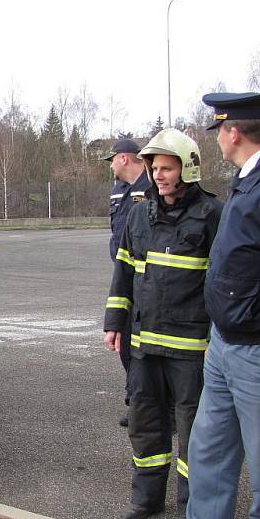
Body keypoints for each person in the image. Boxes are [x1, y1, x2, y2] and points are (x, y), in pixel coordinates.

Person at [144, 92, 260, 519]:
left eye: (219, 130)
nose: (218, 138)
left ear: (233, 132)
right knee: (209, 452)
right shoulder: (249, 178)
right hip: (223, 345)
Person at [103, 129, 222, 519]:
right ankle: (147, 499)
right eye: (155, 168)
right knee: (145, 423)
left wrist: (217, 341)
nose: (159, 175)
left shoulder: (212, 215)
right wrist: (114, 322)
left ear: (187, 168)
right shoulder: (139, 214)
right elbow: (123, 272)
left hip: (191, 348)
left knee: (193, 433)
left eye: (167, 168)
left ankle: (191, 510)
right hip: (144, 343)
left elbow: (222, 283)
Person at [102, 139, 149, 427]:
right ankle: (137, 400)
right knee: (126, 343)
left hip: (148, 279)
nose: (110, 165)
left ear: (123, 158)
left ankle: (156, 406)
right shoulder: (119, 190)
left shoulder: (152, 186)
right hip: (124, 274)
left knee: (145, 346)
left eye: (112, 160)